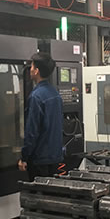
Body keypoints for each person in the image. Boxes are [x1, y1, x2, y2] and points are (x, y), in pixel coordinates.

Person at [18, 52, 64, 181]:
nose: (30, 70)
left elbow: (32, 131)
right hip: (55, 156)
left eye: (32, 67)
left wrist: (24, 157)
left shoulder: (36, 97)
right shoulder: (55, 94)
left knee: (39, 191)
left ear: (36, 71)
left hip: (39, 159)